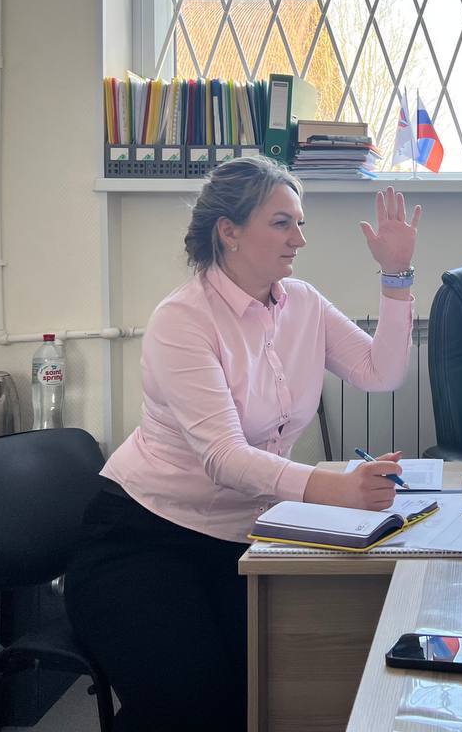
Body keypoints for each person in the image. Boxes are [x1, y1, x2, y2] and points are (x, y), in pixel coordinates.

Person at [65, 157, 422, 732]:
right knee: (203, 708)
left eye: (300, 223)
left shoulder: (303, 302)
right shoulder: (182, 320)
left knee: (279, 688)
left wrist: (396, 276)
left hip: (243, 540)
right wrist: (335, 489)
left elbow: (381, 373)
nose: (299, 239)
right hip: (144, 539)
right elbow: (223, 456)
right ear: (228, 231)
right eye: (282, 223)